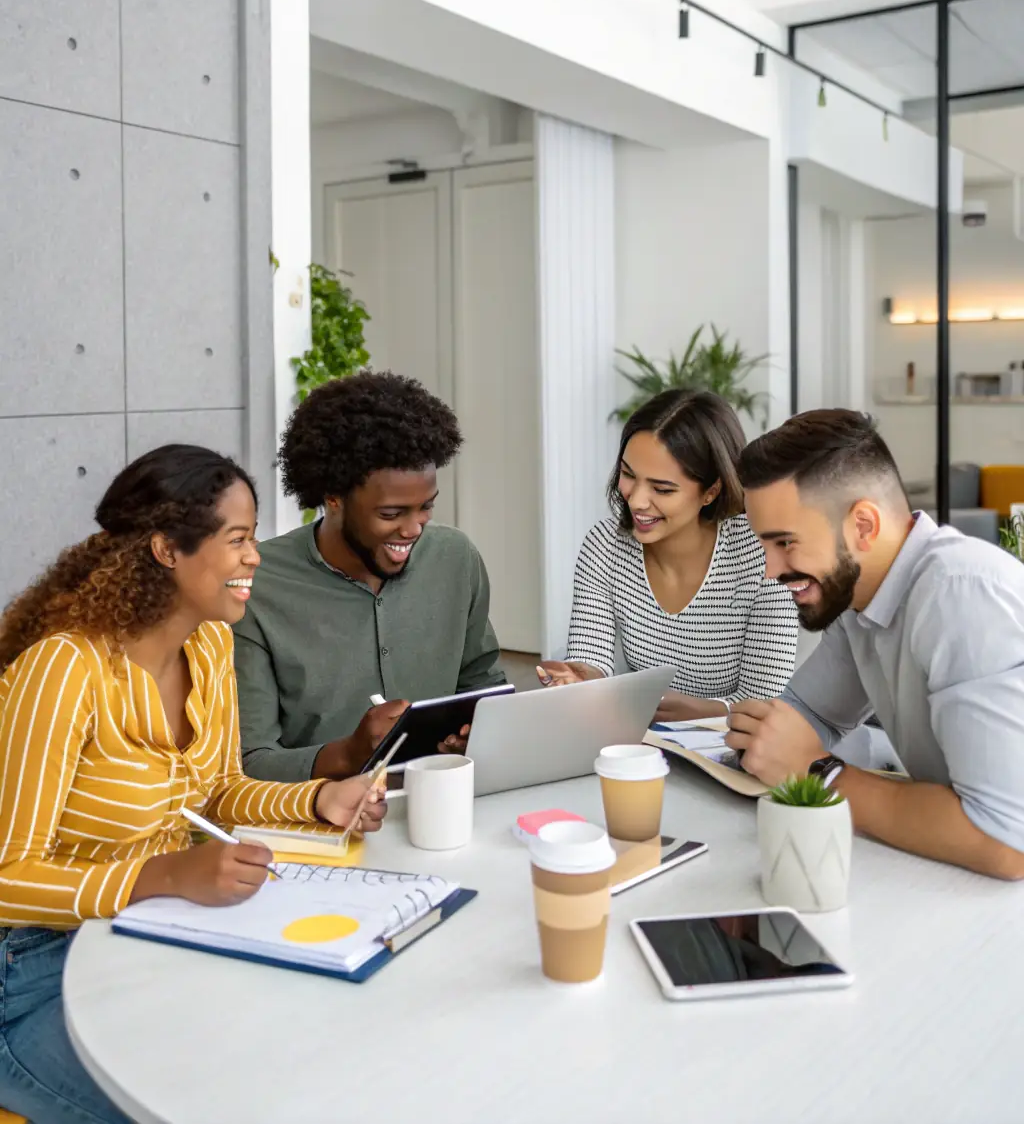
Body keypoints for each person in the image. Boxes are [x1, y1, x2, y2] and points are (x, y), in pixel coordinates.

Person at [0, 444, 385, 1124]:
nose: (255, 556)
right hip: (25, 977)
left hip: (141, 939)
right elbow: (7, 876)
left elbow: (219, 794)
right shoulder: (63, 670)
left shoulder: (207, 647)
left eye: (255, 537)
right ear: (167, 549)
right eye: (237, 538)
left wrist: (319, 797)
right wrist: (165, 876)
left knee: (294, 1060)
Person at [729, 408, 1024, 879]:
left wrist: (817, 772)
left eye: (785, 543)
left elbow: (1005, 842)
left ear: (863, 527)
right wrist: (764, 736)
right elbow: (809, 716)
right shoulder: (860, 598)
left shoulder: (959, 594)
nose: (770, 570)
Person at [235, 372, 504, 782]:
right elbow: (251, 761)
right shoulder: (258, 586)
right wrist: (349, 754)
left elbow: (484, 686)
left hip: (446, 798)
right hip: (320, 823)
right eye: (391, 514)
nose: (414, 528)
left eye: (425, 507)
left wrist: (476, 735)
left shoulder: (456, 559)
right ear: (333, 498)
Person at [537, 390, 799, 720]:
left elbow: (764, 701)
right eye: (629, 474)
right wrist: (579, 680)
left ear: (711, 491)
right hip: (646, 742)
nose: (637, 501)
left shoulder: (762, 554)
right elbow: (592, 661)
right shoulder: (604, 546)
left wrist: (703, 711)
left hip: (738, 749)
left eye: (662, 489)